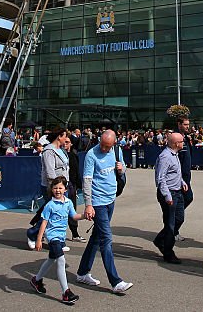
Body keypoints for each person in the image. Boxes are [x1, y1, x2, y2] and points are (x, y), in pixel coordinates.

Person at [75, 130, 132, 294]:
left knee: (96, 237)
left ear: (114, 143)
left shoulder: (116, 150)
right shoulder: (91, 155)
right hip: (98, 202)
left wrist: (122, 169)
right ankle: (116, 282)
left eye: (108, 146)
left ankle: (82, 272)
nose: (105, 149)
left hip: (110, 199)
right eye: (103, 146)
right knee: (106, 238)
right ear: (99, 141)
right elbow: (87, 180)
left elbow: (122, 169)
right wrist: (88, 204)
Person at [31, 176, 84, 306]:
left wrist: (86, 215)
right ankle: (66, 292)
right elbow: (44, 223)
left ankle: (36, 280)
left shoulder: (68, 203)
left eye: (60, 188)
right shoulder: (49, 205)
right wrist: (39, 239)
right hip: (52, 237)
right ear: (51, 189)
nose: (58, 190)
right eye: (55, 188)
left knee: (51, 259)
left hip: (61, 237)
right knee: (61, 260)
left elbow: (74, 216)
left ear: (65, 189)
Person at [27, 129, 70, 248]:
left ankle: (58, 240)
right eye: (64, 136)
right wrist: (56, 190)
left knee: (60, 214)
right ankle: (33, 234)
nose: (66, 139)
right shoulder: (48, 151)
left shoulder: (61, 150)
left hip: (62, 187)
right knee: (50, 213)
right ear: (59, 137)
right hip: (51, 187)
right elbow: (50, 173)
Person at [153, 132, 188, 264]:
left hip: (177, 191)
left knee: (179, 218)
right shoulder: (165, 157)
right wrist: (167, 195)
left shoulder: (175, 154)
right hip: (169, 193)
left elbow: (174, 173)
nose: (183, 143)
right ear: (176, 144)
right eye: (182, 141)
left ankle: (159, 239)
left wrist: (182, 182)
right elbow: (160, 178)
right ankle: (168, 252)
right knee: (170, 224)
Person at [63, 135, 84, 242]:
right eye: (64, 142)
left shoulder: (73, 155)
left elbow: (76, 172)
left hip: (71, 186)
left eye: (67, 142)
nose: (65, 144)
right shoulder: (59, 154)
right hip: (61, 186)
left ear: (71, 143)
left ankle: (75, 234)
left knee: (71, 210)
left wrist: (79, 185)